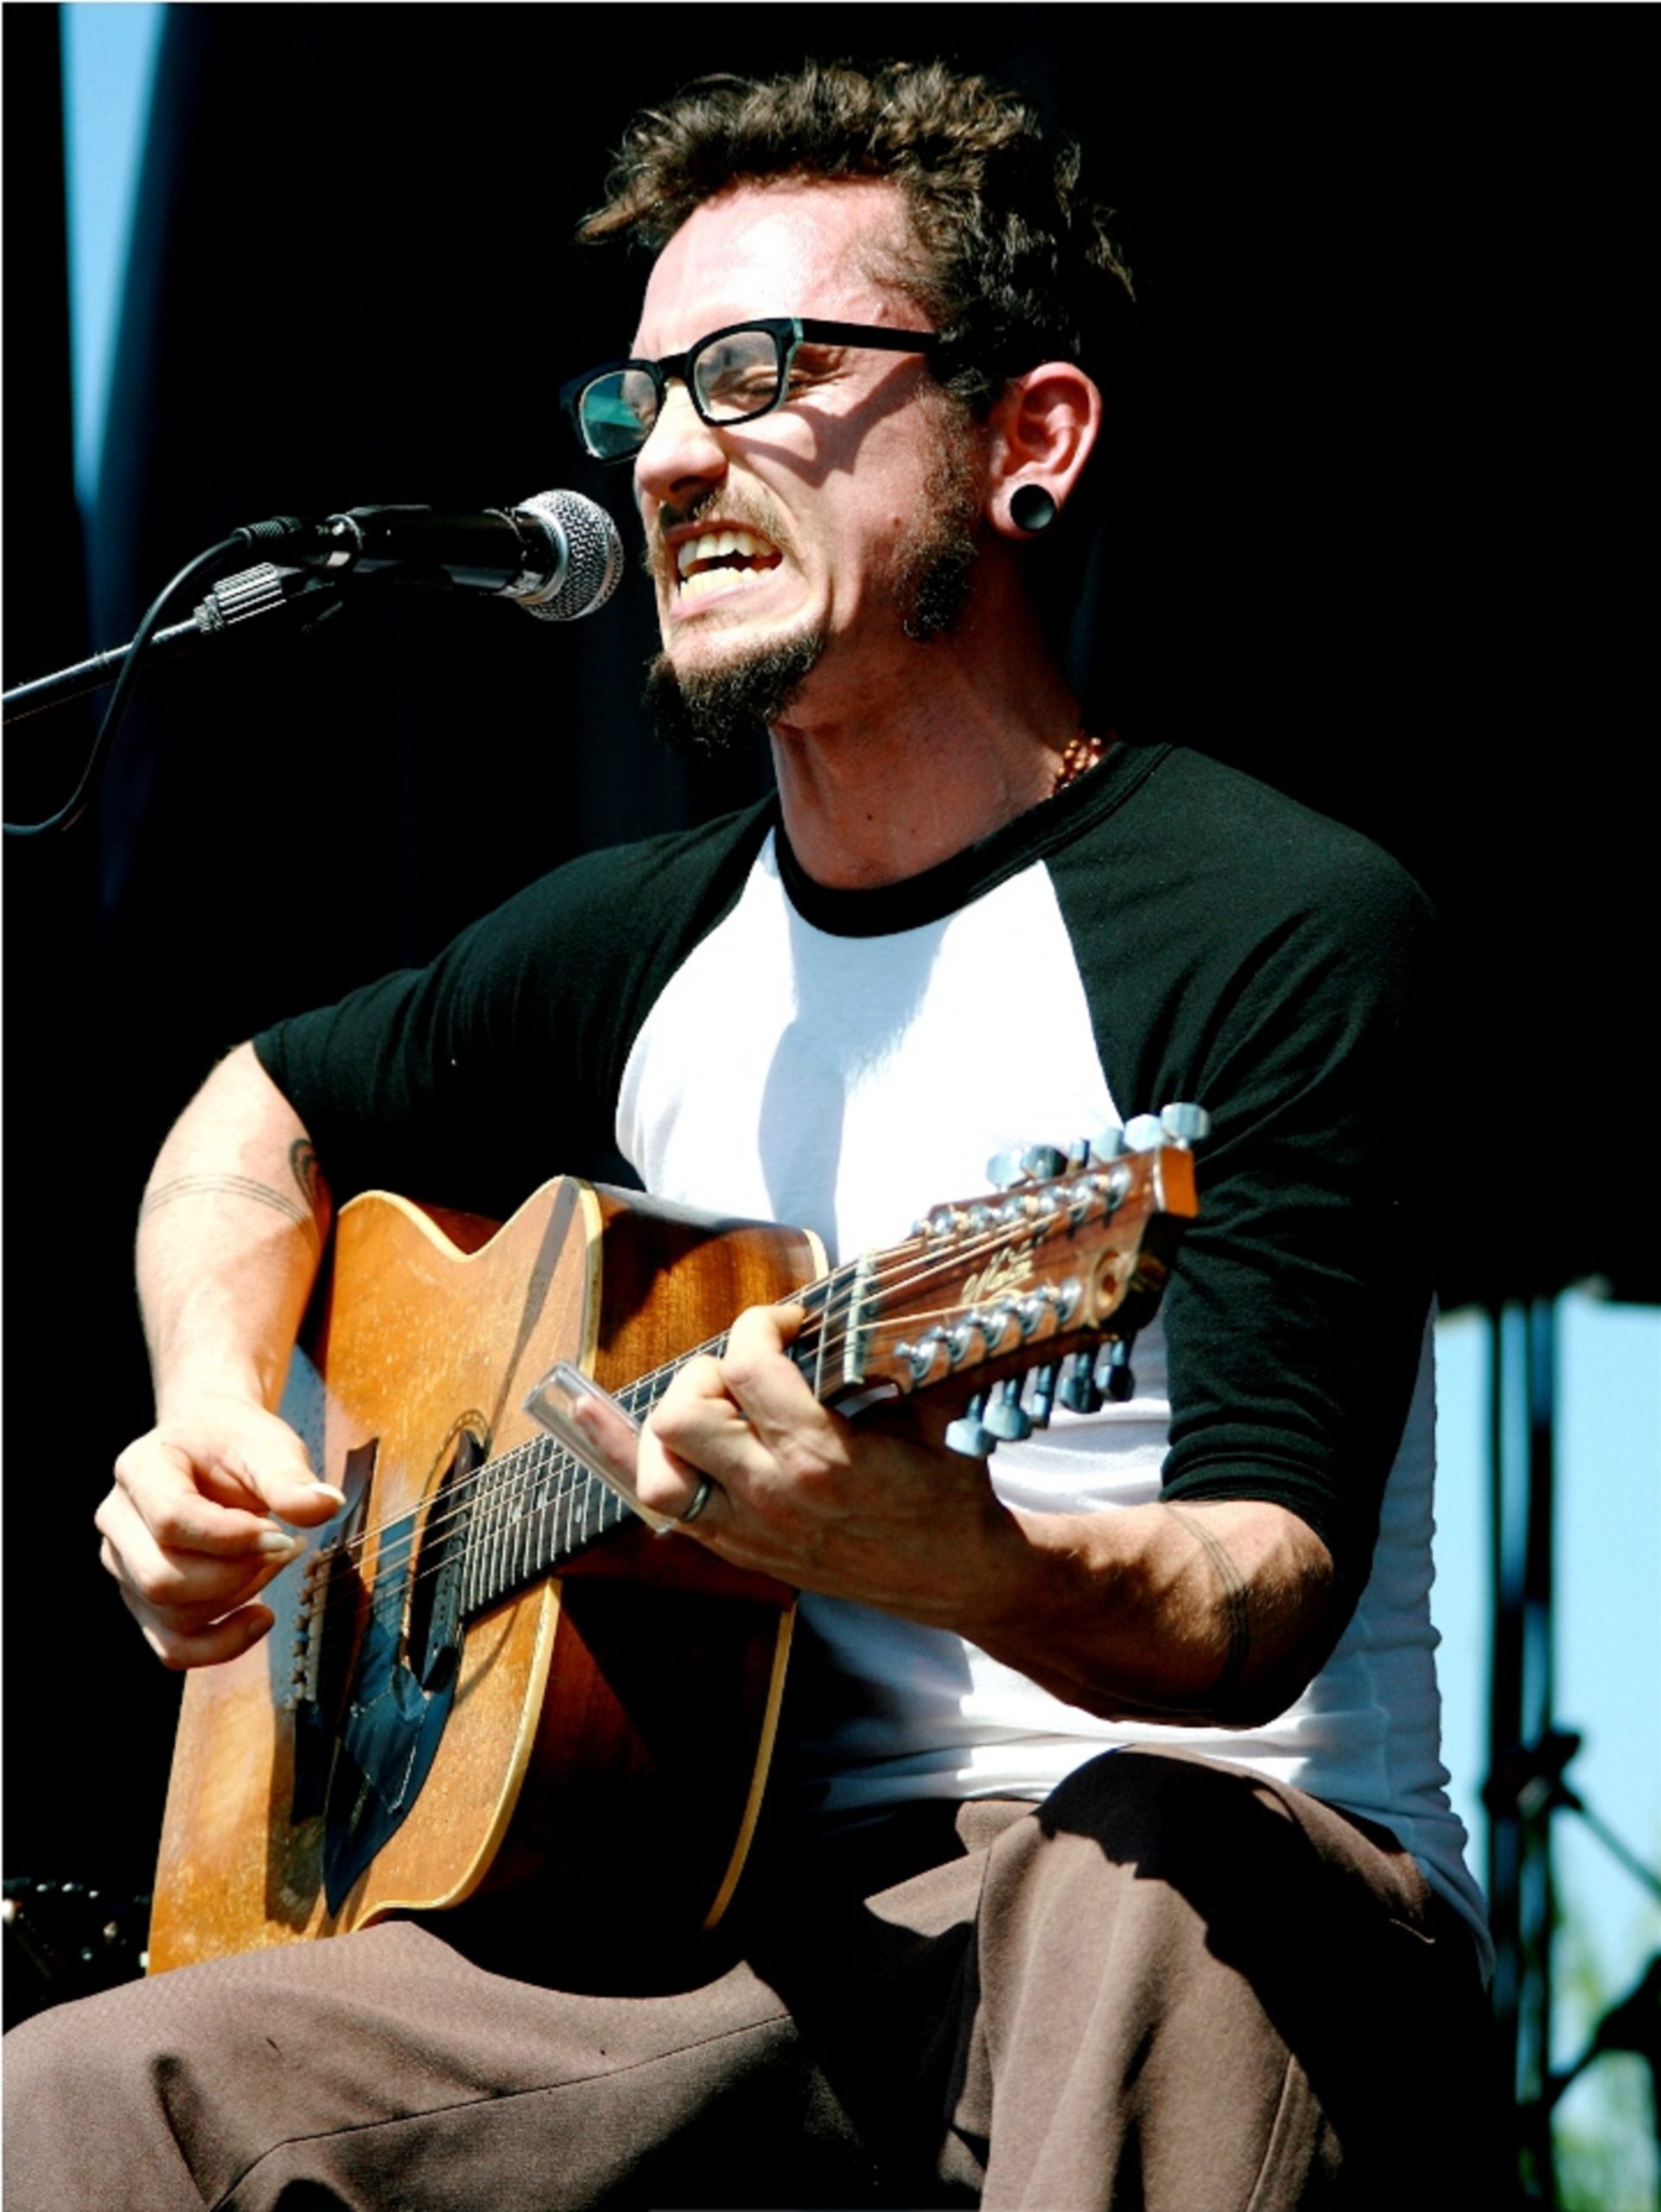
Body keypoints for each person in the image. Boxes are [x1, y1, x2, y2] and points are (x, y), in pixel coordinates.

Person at [4, 58, 1498, 2211]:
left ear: (1029, 439)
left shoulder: (1276, 922)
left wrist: (971, 1559)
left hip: (1222, 1898)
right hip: (742, 1934)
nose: (670, 454)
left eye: (761, 371)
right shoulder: (641, 946)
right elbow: (252, 1116)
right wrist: (214, 1411)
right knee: (84, 2094)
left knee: (1136, 1857)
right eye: (639, 400)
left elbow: (1260, 1580)